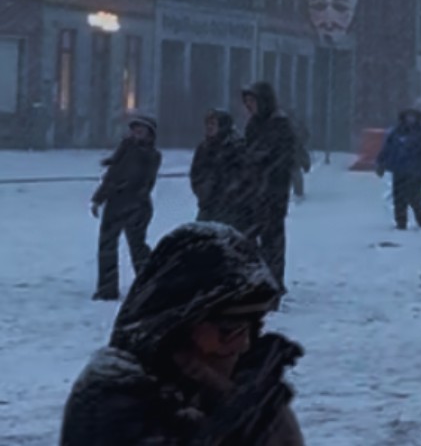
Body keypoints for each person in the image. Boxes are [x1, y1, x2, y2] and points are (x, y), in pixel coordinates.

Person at [60, 222, 305, 446]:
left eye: (253, 327)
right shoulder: (115, 400)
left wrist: (252, 408)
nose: (243, 344)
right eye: (227, 331)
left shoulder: (244, 383)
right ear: (179, 328)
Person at [92, 114, 161, 302]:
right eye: (134, 129)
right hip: (116, 203)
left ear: (150, 134)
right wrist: (99, 198)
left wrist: (130, 195)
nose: (136, 133)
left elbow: (142, 180)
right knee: (107, 246)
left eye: (141, 130)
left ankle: (150, 284)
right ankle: (107, 288)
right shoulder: (124, 149)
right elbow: (112, 176)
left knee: (137, 246)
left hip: (136, 205)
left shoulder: (151, 155)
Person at [238, 82, 299, 288]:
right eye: (247, 102)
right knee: (250, 237)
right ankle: (258, 279)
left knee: (272, 238)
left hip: (273, 192)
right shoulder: (254, 124)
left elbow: (280, 158)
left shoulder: (279, 125)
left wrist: (262, 168)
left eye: (252, 101)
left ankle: (273, 282)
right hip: (254, 191)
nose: (249, 106)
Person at [375, 109, 421, 231]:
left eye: (412, 117)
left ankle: (420, 215)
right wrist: (381, 163)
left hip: (415, 171)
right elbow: (387, 149)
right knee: (399, 197)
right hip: (399, 170)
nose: (410, 120)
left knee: (414, 197)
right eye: (408, 117)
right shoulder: (396, 133)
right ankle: (401, 221)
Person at [191, 109, 246, 227]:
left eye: (213, 124)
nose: (209, 127)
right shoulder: (203, 148)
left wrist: (227, 192)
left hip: (232, 208)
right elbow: (195, 174)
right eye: (207, 124)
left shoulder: (236, 147)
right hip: (207, 206)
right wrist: (203, 190)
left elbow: (241, 176)